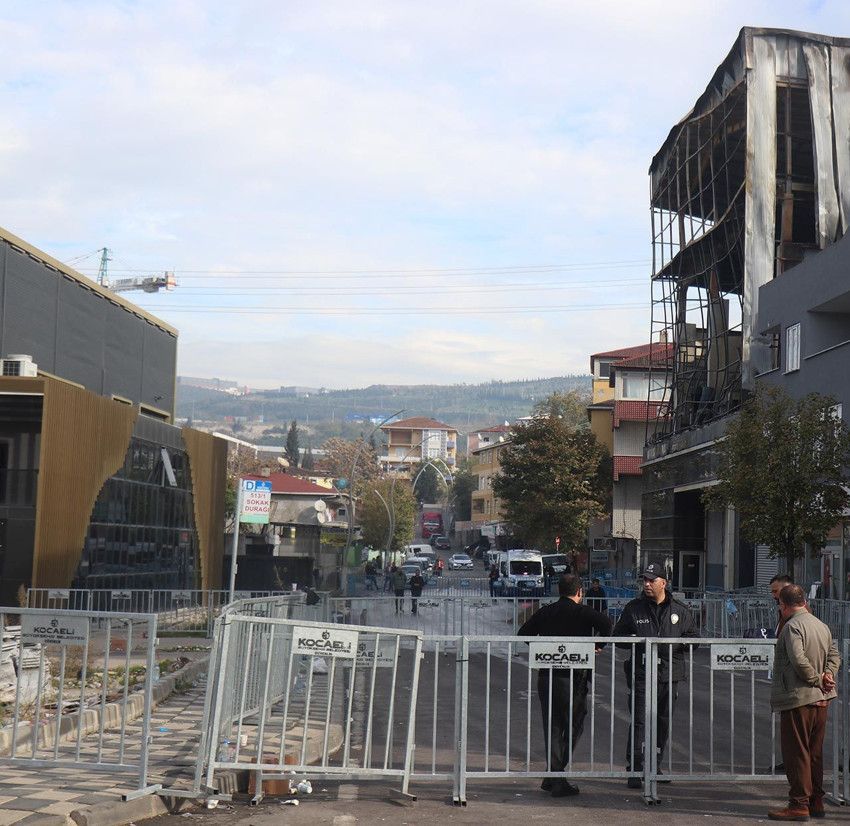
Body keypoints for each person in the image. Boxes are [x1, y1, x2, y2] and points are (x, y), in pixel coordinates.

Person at [518, 573, 612, 798]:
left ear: (559, 591)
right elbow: (607, 625)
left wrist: (544, 650)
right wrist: (597, 645)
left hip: (547, 676)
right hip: (574, 678)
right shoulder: (583, 612)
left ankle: (553, 776)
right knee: (574, 725)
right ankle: (557, 777)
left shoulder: (547, 611)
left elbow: (523, 633)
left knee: (553, 727)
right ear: (580, 592)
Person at [613, 562, 698, 788]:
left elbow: (694, 639)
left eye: (652, 580)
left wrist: (676, 645)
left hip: (669, 674)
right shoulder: (634, 608)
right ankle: (635, 768)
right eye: (645, 580)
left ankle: (654, 766)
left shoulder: (679, 610)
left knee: (662, 722)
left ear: (664, 583)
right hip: (642, 673)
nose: (647, 584)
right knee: (640, 721)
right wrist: (636, 640)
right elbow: (618, 636)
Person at [768, 584, 841, 821]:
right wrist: (828, 675)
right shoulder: (821, 625)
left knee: (797, 752)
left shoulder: (792, 627)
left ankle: (798, 803)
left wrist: (817, 679)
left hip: (798, 698)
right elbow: (834, 655)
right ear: (804, 601)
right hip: (822, 699)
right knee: (814, 753)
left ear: (783, 605)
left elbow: (798, 660)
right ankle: (816, 801)